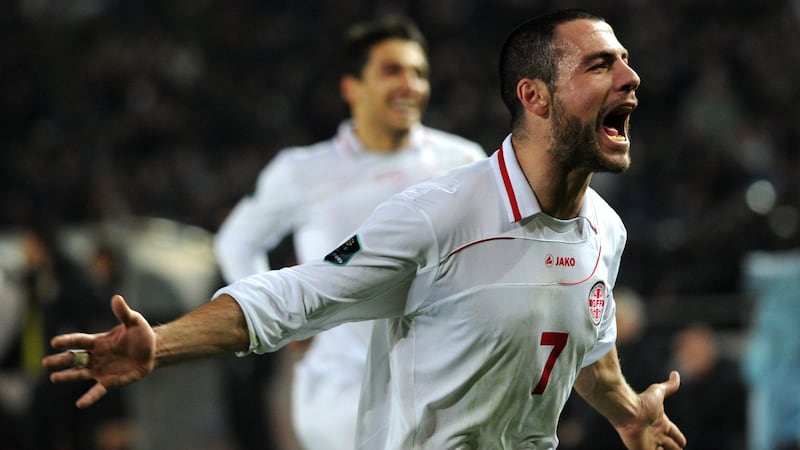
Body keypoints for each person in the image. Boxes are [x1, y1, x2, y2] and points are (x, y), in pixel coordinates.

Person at [43, 9, 687, 449]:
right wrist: (164, 343)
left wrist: (629, 416)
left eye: (625, 62)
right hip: (339, 393)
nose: (632, 78)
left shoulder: (606, 229)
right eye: (601, 65)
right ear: (534, 96)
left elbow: (588, 346)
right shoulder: (438, 211)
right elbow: (297, 293)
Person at [212, 15, 486, 450]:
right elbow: (236, 242)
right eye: (392, 71)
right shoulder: (302, 170)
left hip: (443, 386)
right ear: (352, 88)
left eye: (419, 73)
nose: (410, 85)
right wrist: (279, 323)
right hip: (342, 394)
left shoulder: (463, 161)